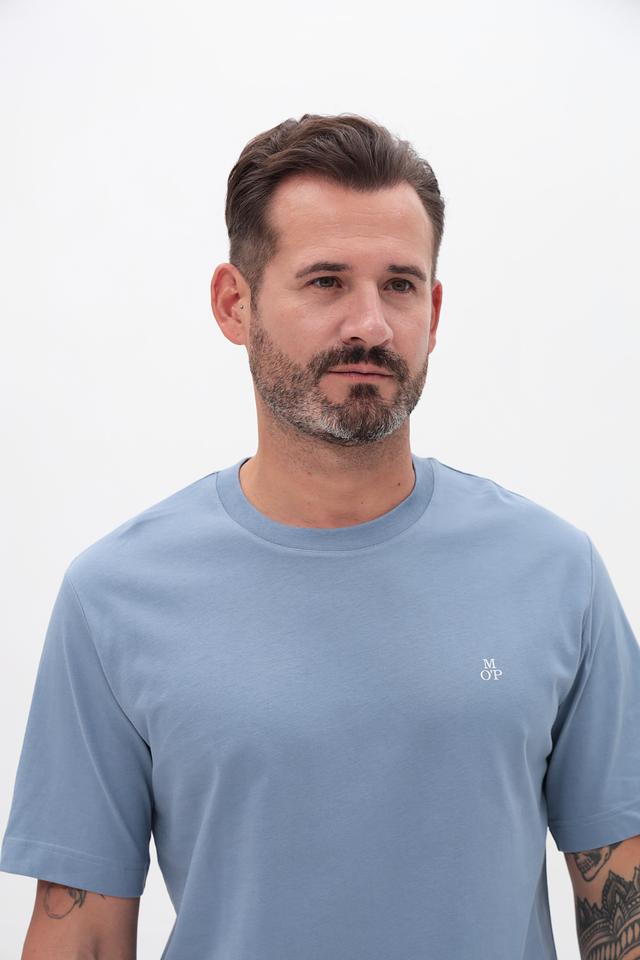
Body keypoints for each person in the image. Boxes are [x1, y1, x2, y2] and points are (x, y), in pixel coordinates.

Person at [1, 112, 639, 960]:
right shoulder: (113, 597)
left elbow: (623, 913)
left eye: (400, 285)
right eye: (327, 281)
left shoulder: (556, 574)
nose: (369, 325)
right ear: (235, 304)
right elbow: (79, 933)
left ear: (434, 310)